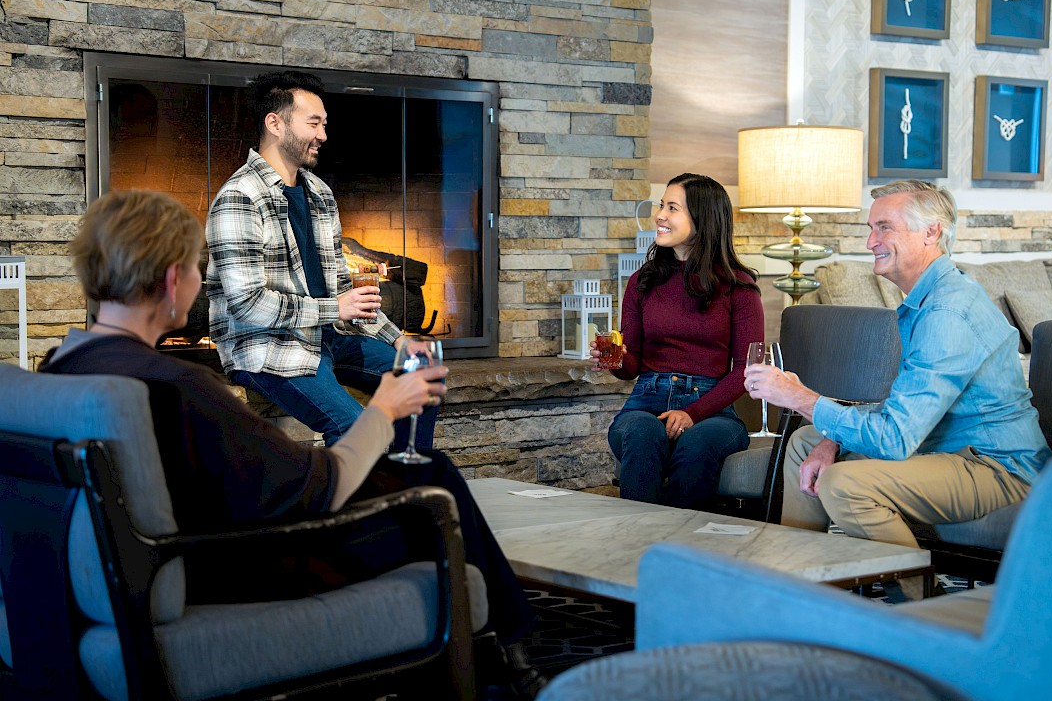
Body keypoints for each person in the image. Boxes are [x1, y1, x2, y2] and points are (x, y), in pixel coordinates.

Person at [43, 189, 545, 699]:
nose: (206, 285)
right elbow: (318, 489)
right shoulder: (180, 388)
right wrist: (383, 408)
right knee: (431, 481)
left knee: (420, 476)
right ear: (174, 279)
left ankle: (500, 650)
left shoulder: (62, 372)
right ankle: (501, 656)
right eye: (204, 272)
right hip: (240, 565)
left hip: (155, 570)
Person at [744, 179, 1052, 598]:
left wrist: (800, 397)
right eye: (871, 229)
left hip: (997, 467)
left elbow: (895, 438)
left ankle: (925, 612)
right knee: (807, 442)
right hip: (944, 447)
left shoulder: (948, 312)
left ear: (932, 232)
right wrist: (828, 434)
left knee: (843, 483)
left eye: (884, 227)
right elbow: (902, 411)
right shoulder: (923, 302)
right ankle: (796, 595)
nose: (871, 241)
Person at [205, 70, 436, 451]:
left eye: (324, 124)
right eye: (313, 123)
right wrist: (334, 309)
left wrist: (399, 342)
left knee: (421, 377)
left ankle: (403, 491)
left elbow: (345, 293)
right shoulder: (240, 197)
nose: (323, 135)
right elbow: (247, 304)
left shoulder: (320, 194)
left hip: (328, 336)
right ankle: (355, 504)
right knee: (354, 429)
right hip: (268, 346)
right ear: (275, 124)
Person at [597, 173, 765, 509]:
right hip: (646, 401)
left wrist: (692, 413)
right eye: (662, 205)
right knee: (642, 433)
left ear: (703, 219)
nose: (660, 215)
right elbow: (630, 368)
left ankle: (683, 547)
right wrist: (611, 357)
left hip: (712, 410)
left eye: (672, 208)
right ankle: (640, 540)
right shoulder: (642, 281)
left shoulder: (738, 287)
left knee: (697, 445)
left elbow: (747, 370)